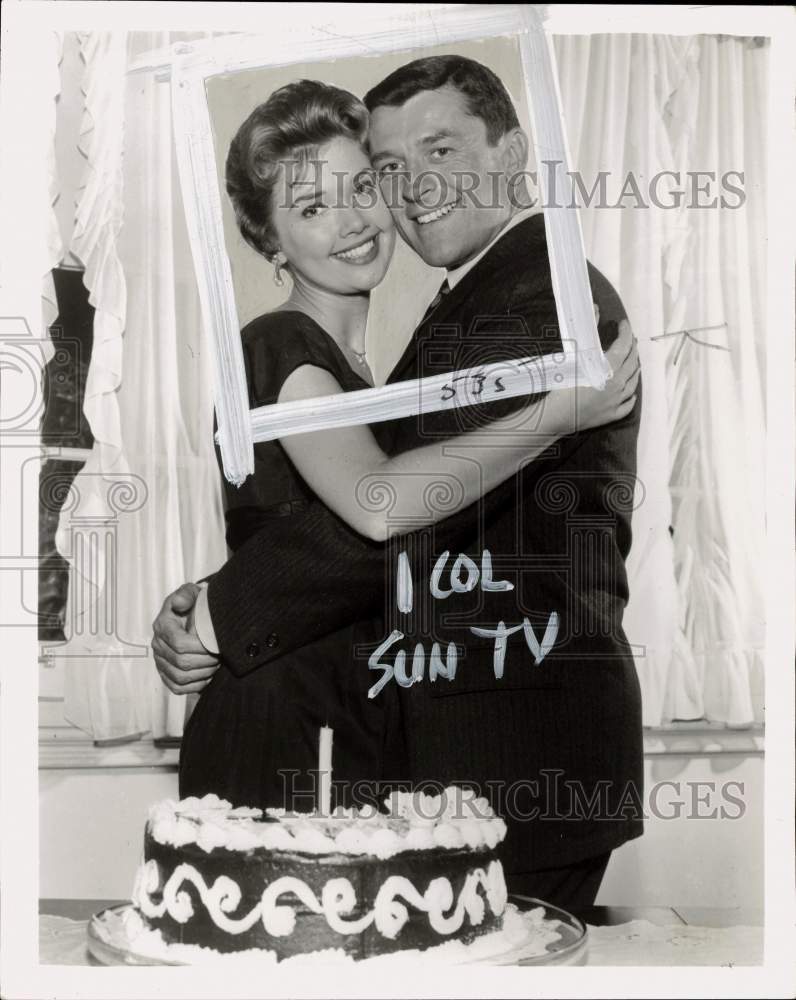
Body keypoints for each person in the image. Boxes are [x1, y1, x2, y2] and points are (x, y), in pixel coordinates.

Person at [154, 59, 643, 909]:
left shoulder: (541, 299)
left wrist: (217, 609)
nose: (406, 190)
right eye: (389, 167)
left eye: (438, 151)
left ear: (512, 154)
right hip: (358, 734)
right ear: (270, 240)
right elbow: (379, 511)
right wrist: (213, 605)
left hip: (515, 751)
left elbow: (385, 515)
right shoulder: (301, 343)